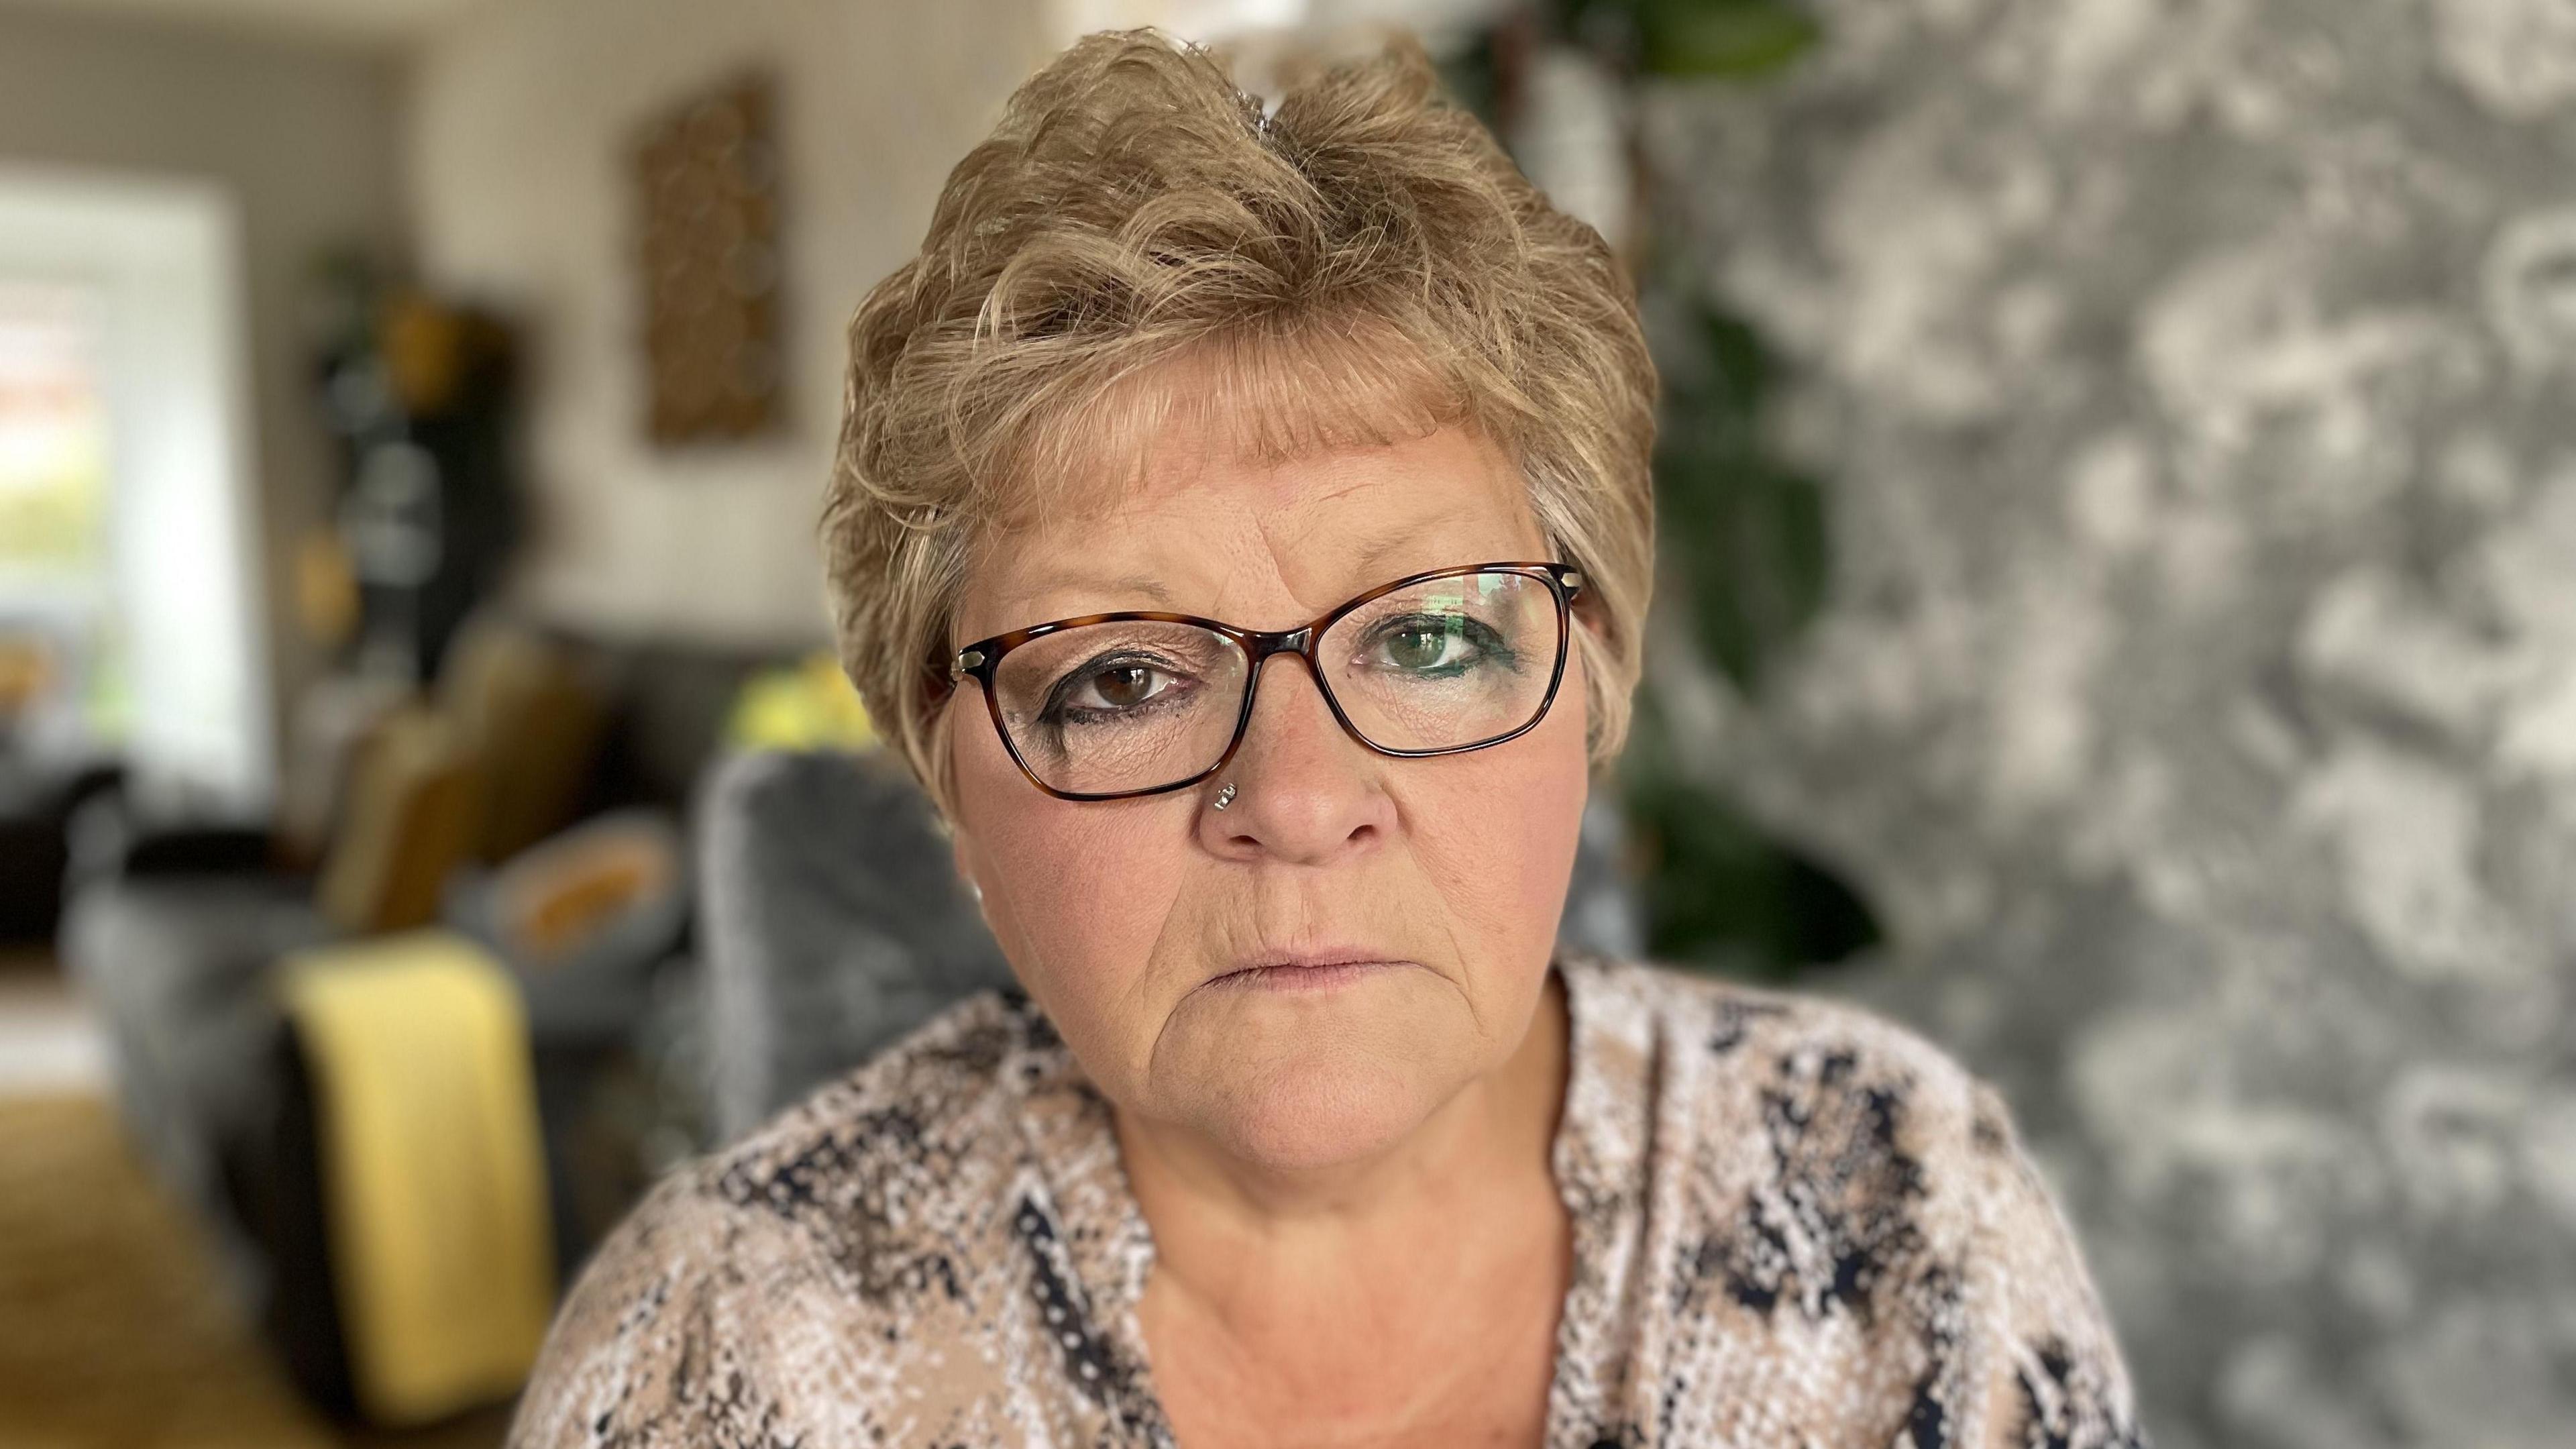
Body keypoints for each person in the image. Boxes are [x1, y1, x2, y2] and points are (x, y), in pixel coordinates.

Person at [508, 29, 2148, 1449]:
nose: (1294, 802)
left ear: (1588, 693)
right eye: (1120, 679)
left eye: (1431, 636)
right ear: (956, 800)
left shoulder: (1904, 1213)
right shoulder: (720, 1355)